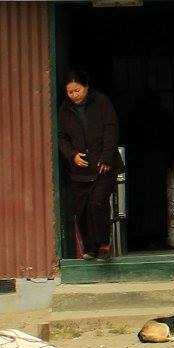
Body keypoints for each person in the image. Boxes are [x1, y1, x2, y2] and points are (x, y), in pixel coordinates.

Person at [56, 70, 122, 258]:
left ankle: (103, 244)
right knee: (81, 209)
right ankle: (90, 249)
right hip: (80, 168)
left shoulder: (101, 102)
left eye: (77, 90)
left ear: (86, 87)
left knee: (97, 202)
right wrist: (72, 155)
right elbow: (61, 138)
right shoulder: (64, 110)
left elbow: (111, 129)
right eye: (70, 92)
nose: (74, 95)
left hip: (103, 166)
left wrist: (107, 157)